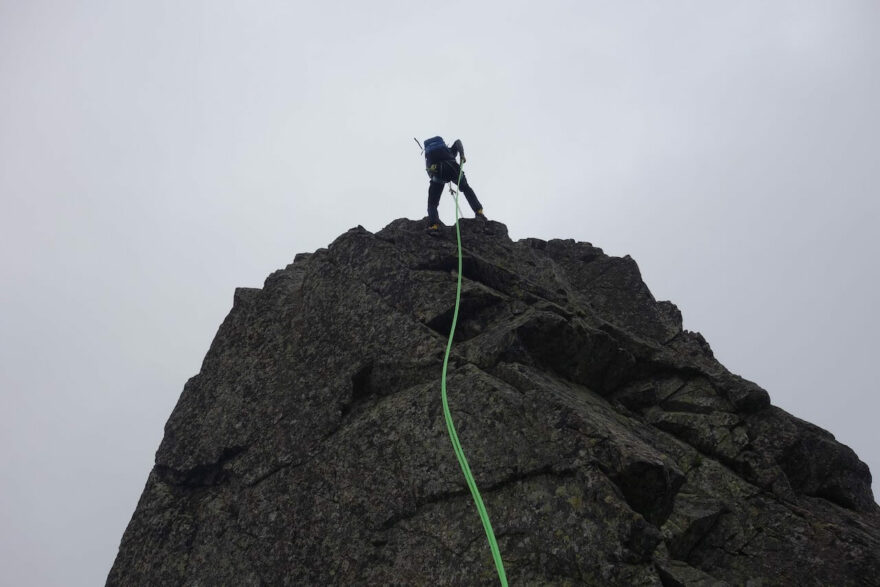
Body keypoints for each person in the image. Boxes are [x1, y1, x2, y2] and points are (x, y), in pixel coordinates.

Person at [422, 136, 487, 230]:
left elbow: (430, 172)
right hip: (454, 170)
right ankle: (479, 212)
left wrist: (435, 179)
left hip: (438, 174)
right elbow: (458, 142)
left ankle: (434, 226)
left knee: (432, 203)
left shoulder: (430, 157)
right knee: (466, 188)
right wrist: (462, 155)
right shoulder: (449, 151)